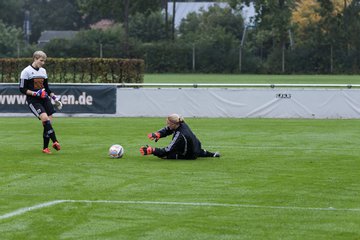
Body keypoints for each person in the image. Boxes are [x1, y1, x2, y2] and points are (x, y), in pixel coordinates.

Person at [19, 50, 62, 154]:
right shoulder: (26, 71)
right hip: (33, 100)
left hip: (45, 99)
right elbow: (22, 89)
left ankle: (45, 148)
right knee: (45, 119)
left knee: (48, 123)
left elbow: (46, 88)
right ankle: (55, 141)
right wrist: (36, 94)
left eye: (44, 61)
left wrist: (54, 98)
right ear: (35, 59)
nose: (43, 63)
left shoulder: (43, 71)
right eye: (41, 61)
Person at [140, 113, 220, 159]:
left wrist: (153, 150)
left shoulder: (180, 135)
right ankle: (212, 154)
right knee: (198, 151)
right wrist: (158, 134)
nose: (167, 125)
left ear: (174, 124)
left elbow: (168, 150)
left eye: (168, 123)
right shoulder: (182, 124)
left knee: (165, 156)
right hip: (197, 147)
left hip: (188, 155)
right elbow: (168, 129)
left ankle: (207, 154)